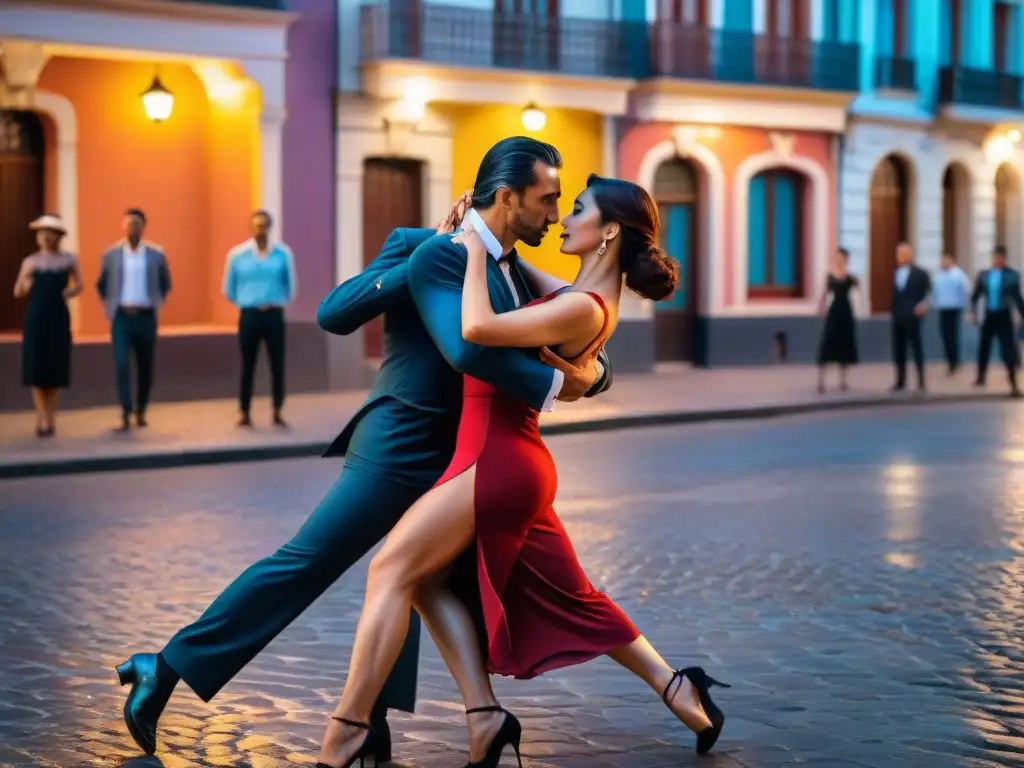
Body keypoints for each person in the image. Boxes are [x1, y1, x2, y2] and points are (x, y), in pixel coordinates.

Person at [113, 139, 612, 759]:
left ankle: (389, 724)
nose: (555, 211)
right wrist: (431, 257)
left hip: (461, 456)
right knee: (308, 563)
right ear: (507, 197)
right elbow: (333, 313)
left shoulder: (513, 271)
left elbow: (576, 328)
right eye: (547, 198)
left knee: (422, 582)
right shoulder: (417, 244)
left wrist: (597, 375)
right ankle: (163, 668)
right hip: (398, 441)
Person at [315, 170, 729, 768]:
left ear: (608, 232)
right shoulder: (580, 293)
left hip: (498, 460)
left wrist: (476, 250)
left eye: (577, 207)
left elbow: (477, 328)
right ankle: (672, 693)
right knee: (558, 596)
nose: (563, 216)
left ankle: (348, 730)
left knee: (390, 570)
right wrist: (477, 238)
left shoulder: (584, 307)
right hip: (510, 460)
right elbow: (520, 276)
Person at [96, 208, 172, 431]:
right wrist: (111, 305)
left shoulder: (156, 254)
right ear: (123, 226)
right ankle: (125, 411)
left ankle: (141, 410)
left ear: (143, 226)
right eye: (128, 223)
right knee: (121, 362)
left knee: (145, 365)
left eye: (136, 224)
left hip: (146, 317)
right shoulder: (110, 254)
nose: (132, 227)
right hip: (121, 317)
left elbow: (165, 283)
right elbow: (102, 284)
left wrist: (155, 302)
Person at [223, 210, 297, 427]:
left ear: (269, 227)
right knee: (247, 364)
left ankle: (277, 410)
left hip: (274, 314)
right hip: (250, 315)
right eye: (256, 225)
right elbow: (229, 287)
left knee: (277, 364)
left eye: (263, 225)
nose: (260, 229)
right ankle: (245, 411)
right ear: (251, 228)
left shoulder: (282, 254)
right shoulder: (238, 254)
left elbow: (290, 285)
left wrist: (278, 300)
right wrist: (246, 301)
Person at [13, 214, 83, 437]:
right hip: (36, 319)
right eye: (41, 233)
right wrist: (27, 283)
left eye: (48, 233)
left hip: (58, 319)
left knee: (54, 371)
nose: (44, 237)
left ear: (58, 236)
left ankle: (51, 419)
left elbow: (79, 285)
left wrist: (69, 292)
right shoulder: (30, 261)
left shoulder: (69, 260)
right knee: (36, 371)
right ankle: (41, 418)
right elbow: (18, 291)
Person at [969, 245, 1024, 398]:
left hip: (1004, 315)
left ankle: (1013, 383)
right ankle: (980, 377)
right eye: (995, 257)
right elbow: (976, 295)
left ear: (1004, 258)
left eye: (1000, 257)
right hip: (989, 315)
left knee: (1008, 349)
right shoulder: (985, 275)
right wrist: (972, 311)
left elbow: (1017, 298)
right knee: (984, 347)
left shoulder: (1012, 275)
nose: (997, 259)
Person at [815, 247, 859, 392]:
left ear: (846, 260)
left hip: (846, 312)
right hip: (834, 312)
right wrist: (821, 308)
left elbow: (859, 293)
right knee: (828, 342)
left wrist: (861, 308)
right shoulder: (830, 276)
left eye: (841, 257)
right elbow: (825, 293)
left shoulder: (851, 277)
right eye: (837, 257)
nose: (838, 260)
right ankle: (821, 381)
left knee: (844, 344)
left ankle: (843, 380)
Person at [890, 242, 930, 392]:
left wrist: (924, 305)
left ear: (910, 255)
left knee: (916, 348)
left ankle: (921, 381)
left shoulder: (921, 274)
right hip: (898, 316)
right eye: (898, 254)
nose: (900, 257)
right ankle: (900, 381)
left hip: (913, 316)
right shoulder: (896, 272)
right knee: (898, 349)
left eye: (903, 253)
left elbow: (929, 293)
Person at [932, 252, 972, 374]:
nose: (944, 263)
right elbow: (934, 291)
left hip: (954, 308)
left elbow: (967, 290)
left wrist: (967, 308)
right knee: (945, 335)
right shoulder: (938, 275)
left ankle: (954, 361)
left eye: (946, 260)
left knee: (952, 335)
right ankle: (949, 359)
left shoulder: (958, 274)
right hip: (942, 308)